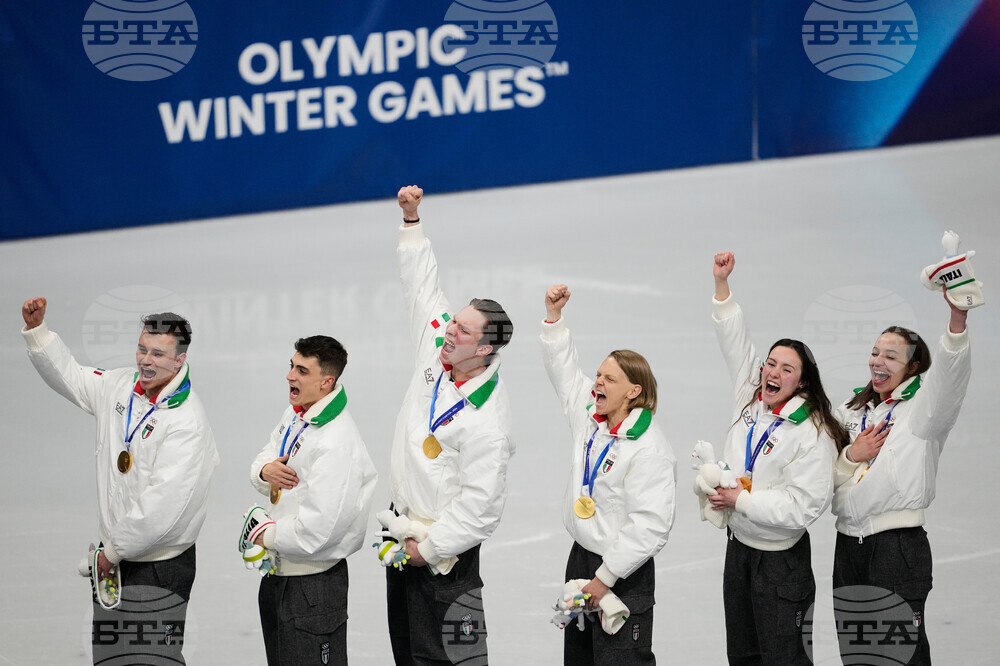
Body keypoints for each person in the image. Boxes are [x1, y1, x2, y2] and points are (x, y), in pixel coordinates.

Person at [20, 297, 219, 664]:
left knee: (150, 660)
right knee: (112, 659)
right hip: (114, 560)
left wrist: (109, 554)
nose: (145, 360)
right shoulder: (120, 386)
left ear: (180, 361)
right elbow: (75, 379)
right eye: (142, 349)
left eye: (158, 354)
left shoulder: (187, 424)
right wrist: (39, 334)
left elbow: (161, 510)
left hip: (158, 566)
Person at [385, 185, 515, 665]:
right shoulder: (435, 351)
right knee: (409, 651)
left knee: (455, 660)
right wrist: (412, 220)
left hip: (446, 556)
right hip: (402, 533)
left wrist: (430, 548)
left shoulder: (488, 422)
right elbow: (422, 286)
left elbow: (482, 508)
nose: (447, 331)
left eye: (461, 330)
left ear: (483, 350)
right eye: (452, 322)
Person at [705, 253, 848, 665]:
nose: (772, 371)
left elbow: (804, 507)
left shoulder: (812, 431)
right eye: (770, 362)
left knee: (784, 659)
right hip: (740, 552)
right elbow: (734, 339)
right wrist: (721, 286)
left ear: (801, 381)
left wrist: (741, 501)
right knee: (743, 655)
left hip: (781, 562)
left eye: (786, 368)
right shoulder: (751, 395)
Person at [830, 290, 974, 665]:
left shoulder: (924, 410)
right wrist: (851, 455)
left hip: (896, 548)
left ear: (912, 368)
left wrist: (957, 323)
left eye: (891, 356)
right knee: (859, 656)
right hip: (848, 547)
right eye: (876, 352)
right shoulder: (849, 410)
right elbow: (820, 473)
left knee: (899, 658)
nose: (878, 361)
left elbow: (950, 381)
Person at [540, 284, 676, 665]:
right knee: (579, 660)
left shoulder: (650, 449)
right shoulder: (591, 417)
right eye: (598, 375)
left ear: (634, 390)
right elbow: (565, 372)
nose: (597, 382)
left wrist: (606, 577)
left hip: (623, 572)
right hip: (581, 560)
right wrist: (554, 320)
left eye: (609, 379)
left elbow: (650, 525)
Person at [248, 335, 377, 665]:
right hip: (278, 575)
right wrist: (265, 471)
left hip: (313, 589)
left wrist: (267, 536)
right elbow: (268, 451)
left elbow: (321, 530)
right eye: (291, 366)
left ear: (326, 381)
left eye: (302, 370)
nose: (290, 375)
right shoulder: (296, 414)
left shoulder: (336, 441)